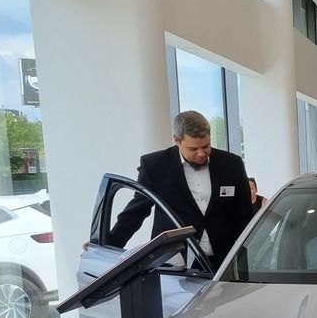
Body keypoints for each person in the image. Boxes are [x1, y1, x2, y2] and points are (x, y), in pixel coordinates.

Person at [107, 110, 252, 269]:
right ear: (177, 140)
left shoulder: (232, 164)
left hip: (226, 261)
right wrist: (107, 245)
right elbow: (137, 211)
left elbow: (245, 214)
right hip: (175, 261)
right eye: (193, 149)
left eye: (206, 146)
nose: (201, 153)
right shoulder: (155, 165)